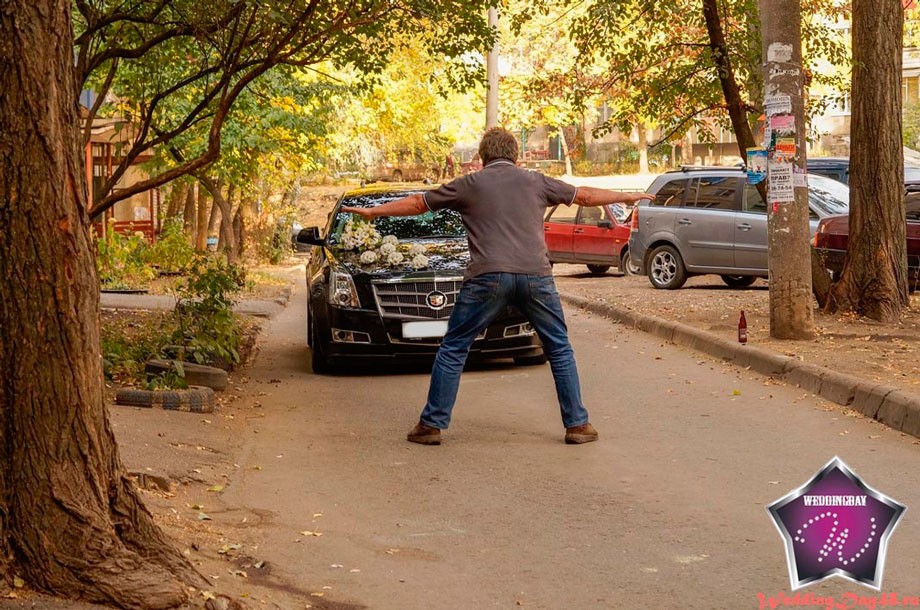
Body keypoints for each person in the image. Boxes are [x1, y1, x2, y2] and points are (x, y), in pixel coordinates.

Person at [342, 127, 653, 445]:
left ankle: (431, 425)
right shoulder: (536, 181)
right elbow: (584, 195)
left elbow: (418, 204)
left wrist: (374, 211)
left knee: (454, 347)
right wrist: (626, 196)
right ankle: (577, 425)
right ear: (515, 155)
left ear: (482, 156)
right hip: (536, 276)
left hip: (487, 277)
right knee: (559, 347)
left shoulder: (468, 184)